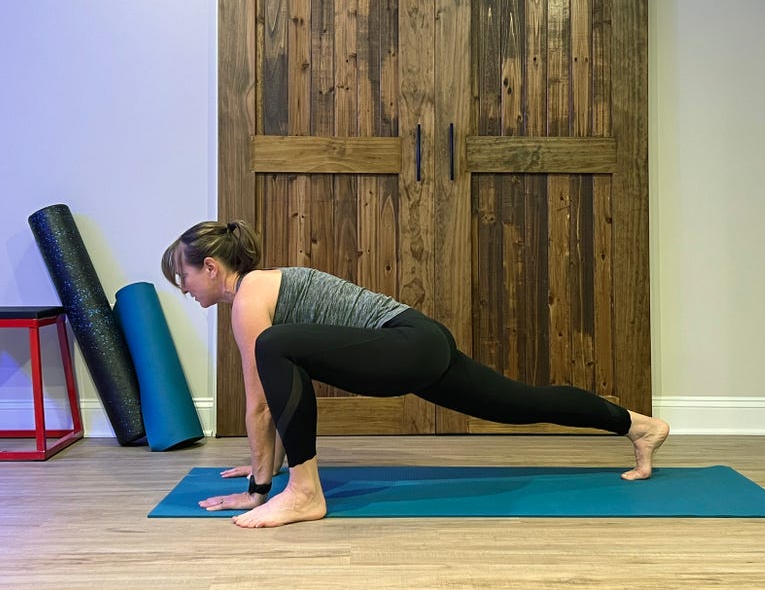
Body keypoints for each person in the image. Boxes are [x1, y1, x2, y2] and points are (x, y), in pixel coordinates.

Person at [162, 220, 670, 529]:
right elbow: (272, 395)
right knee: (521, 402)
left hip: (406, 346)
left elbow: (260, 403)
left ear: (210, 267)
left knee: (274, 346)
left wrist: (258, 485)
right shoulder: (262, 288)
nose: (183, 287)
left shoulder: (248, 298)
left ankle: (305, 493)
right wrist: (260, 463)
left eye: (182, 275)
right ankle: (639, 426)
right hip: (420, 343)